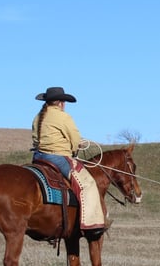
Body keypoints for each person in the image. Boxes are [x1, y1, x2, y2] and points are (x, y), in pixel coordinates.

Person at [31, 86, 108, 237]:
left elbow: (35, 140)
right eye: (64, 102)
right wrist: (74, 149)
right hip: (58, 158)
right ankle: (92, 225)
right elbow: (74, 139)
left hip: (38, 158)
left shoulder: (37, 117)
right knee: (88, 184)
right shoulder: (63, 117)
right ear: (60, 103)